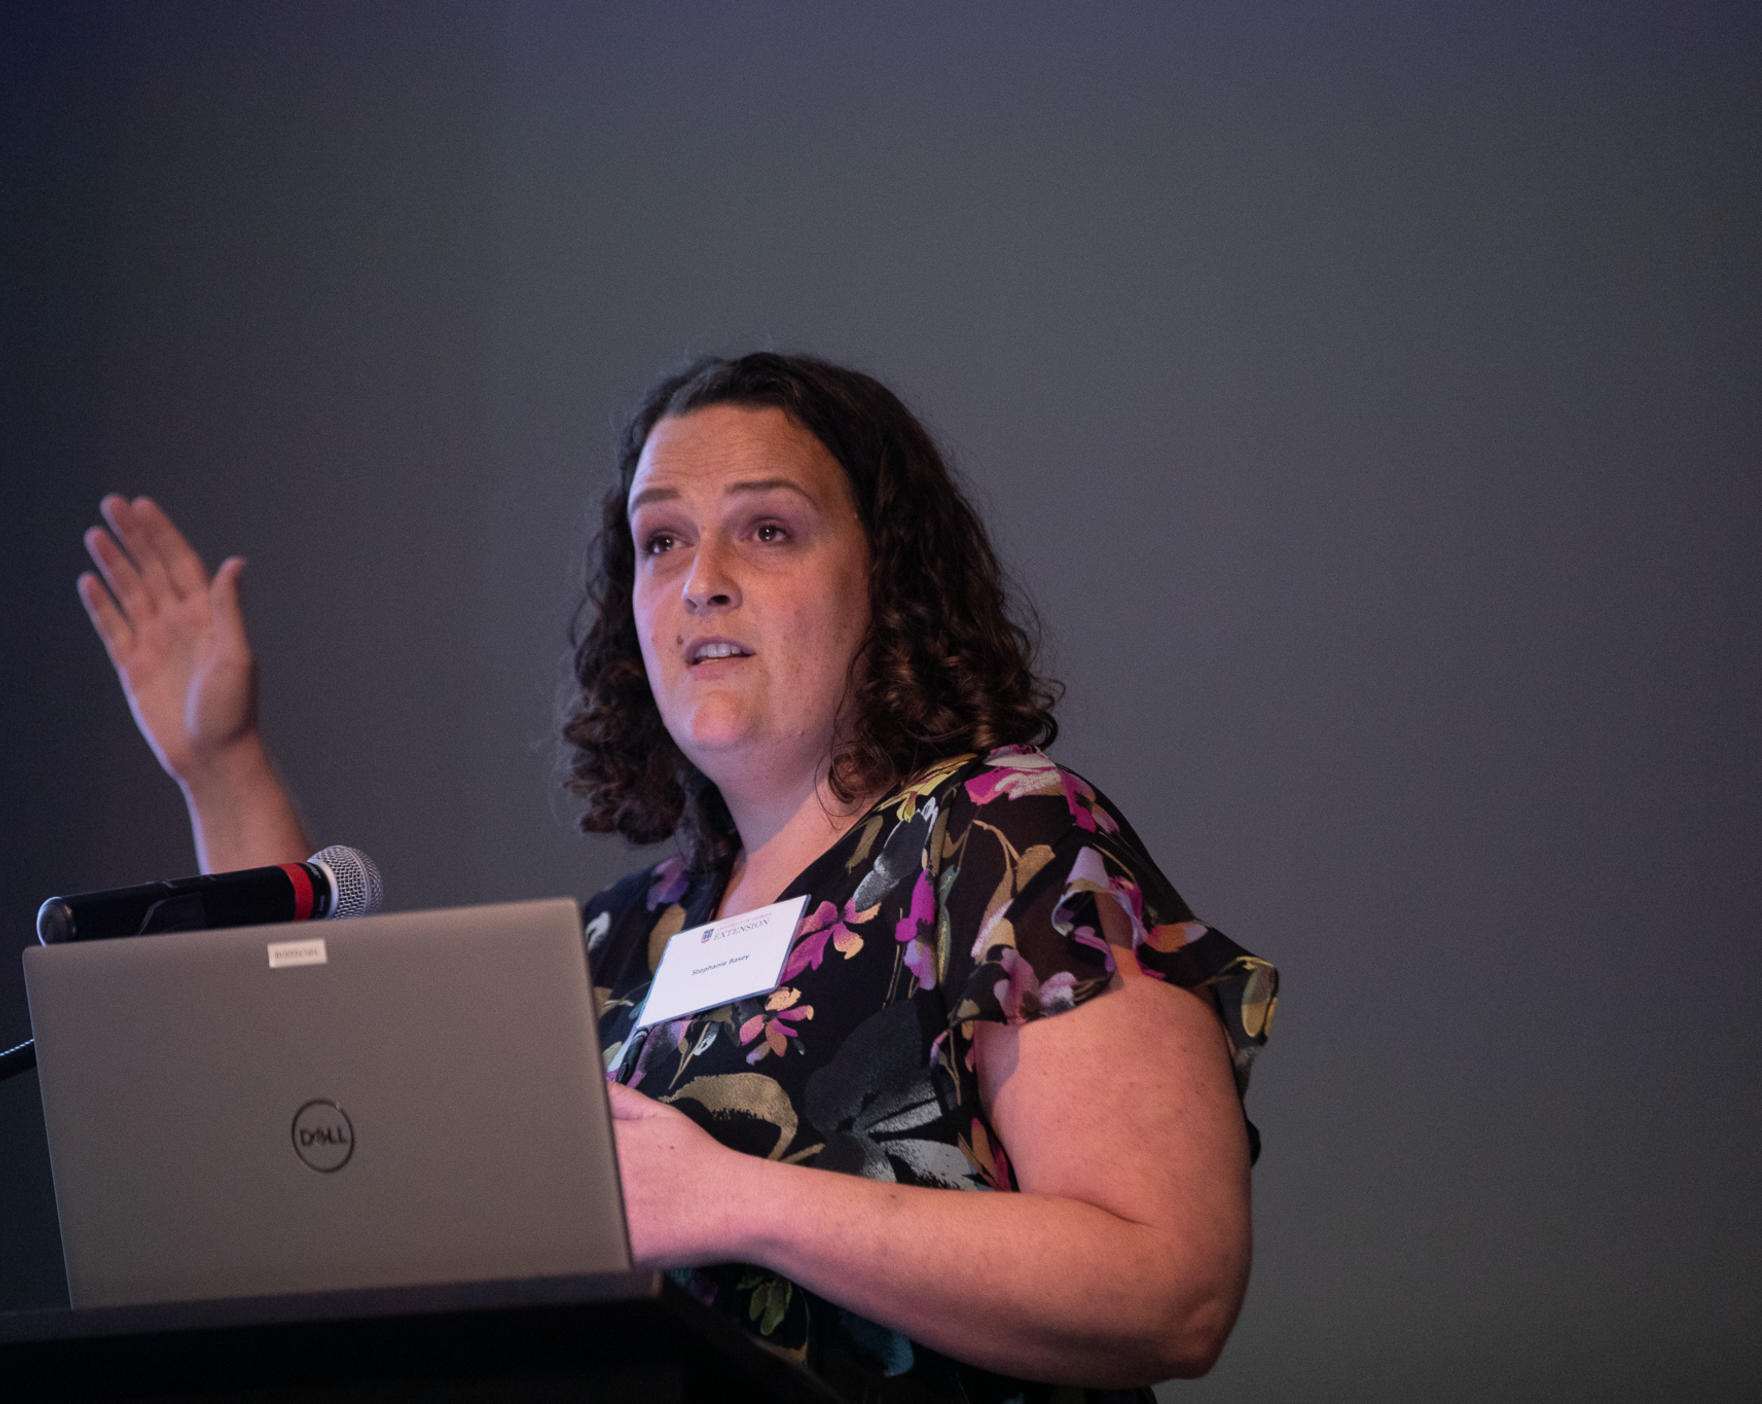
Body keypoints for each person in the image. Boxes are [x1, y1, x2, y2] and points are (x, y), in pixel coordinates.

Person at [77, 352, 1277, 1403]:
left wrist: (738, 1200)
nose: (700, 577)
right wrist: (221, 769)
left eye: (767, 529)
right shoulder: (620, 945)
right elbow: (327, 1162)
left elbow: (1168, 1287)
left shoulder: (1003, 840)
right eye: (661, 540)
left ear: (889, 580)